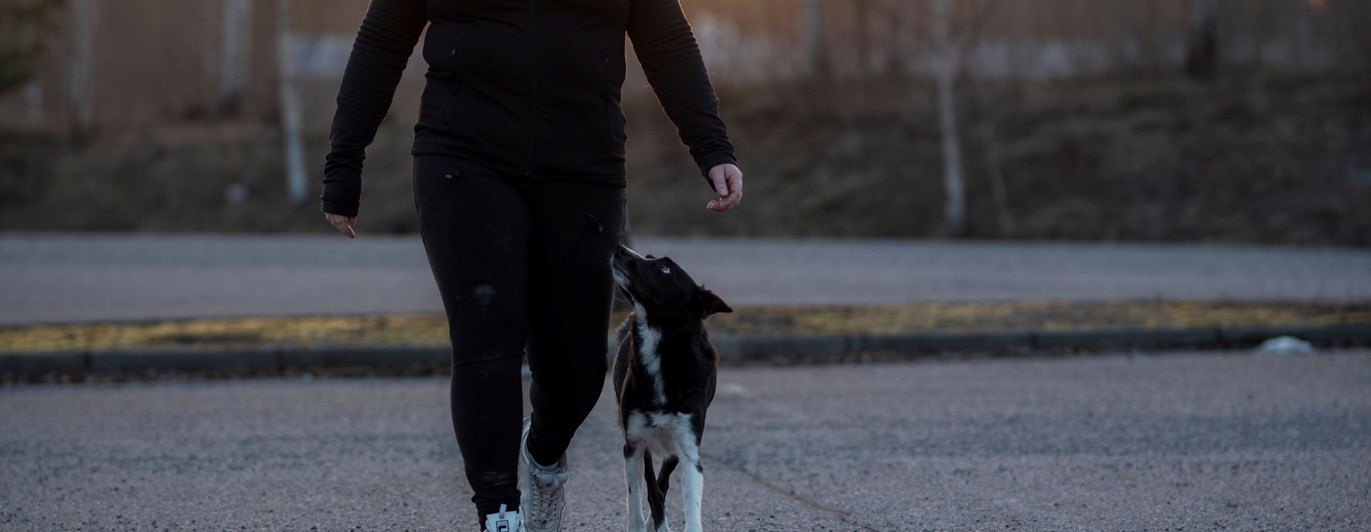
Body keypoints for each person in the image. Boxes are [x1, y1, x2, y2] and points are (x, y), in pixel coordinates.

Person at [319, 1, 742, 531]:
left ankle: (543, 453)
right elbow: (382, 40)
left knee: (577, 369)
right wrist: (344, 159)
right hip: (464, 158)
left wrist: (711, 146)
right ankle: (499, 511)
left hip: (584, 164)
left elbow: (668, 41)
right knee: (485, 338)